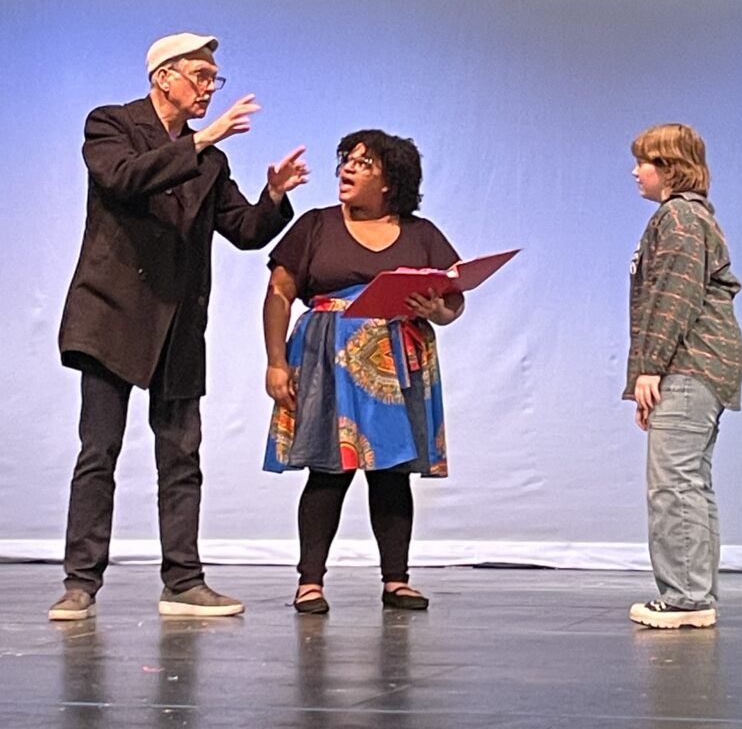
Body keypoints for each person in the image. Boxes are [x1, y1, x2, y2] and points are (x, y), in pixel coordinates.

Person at [50, 32, 308, 621]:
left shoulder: (208, 161)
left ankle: (184, 581)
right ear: (163, 76)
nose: (209, 90)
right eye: (200, 76)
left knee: (181, 456)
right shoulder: (110, 125)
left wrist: (272, 195)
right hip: (111, 315)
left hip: (178, 323)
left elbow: (243, 230)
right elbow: (123, 179)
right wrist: (203, 142)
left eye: (213, 79)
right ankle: (80, 584)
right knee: (100, 451)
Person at [263, 130, 464, 614]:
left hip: (397, 363)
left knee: (393, 472)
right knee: (327, 471)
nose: (347, 170)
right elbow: (279, 293)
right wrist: (274, 361)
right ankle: (310, 581)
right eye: (345, 162)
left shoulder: (421, 234)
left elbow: (453, 301)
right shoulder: (316, 225)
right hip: (326, 359)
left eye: (363, 163)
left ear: (390, 180)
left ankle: (396, 580)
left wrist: (436, 310)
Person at [624, 123, 742, 629]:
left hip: (690, 362)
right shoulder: (689, 218)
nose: (636, 172)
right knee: (689, 480)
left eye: (644, 163)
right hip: (702, 363)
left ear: (669, 168)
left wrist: (651, 368)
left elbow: (673, 296)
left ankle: (686, 599)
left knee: (673, 482)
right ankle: (695, 595)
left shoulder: (677, 218)